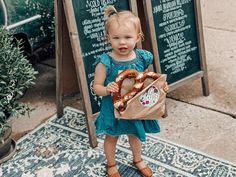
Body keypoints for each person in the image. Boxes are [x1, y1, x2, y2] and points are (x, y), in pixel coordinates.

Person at [93, 5, 168, 177]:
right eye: (116, 38)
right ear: (108, 38)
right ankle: (111, 164)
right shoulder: (105, 62)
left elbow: (151, 81)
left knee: (134, 135)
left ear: (138, 37)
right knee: (111, 137)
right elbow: (96, 86)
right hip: (113, 108)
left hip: (135, 107)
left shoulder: (143, 57)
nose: (122, 42)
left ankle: (138, 159)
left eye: (128, 37)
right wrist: (106, 89)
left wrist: (161, 88)